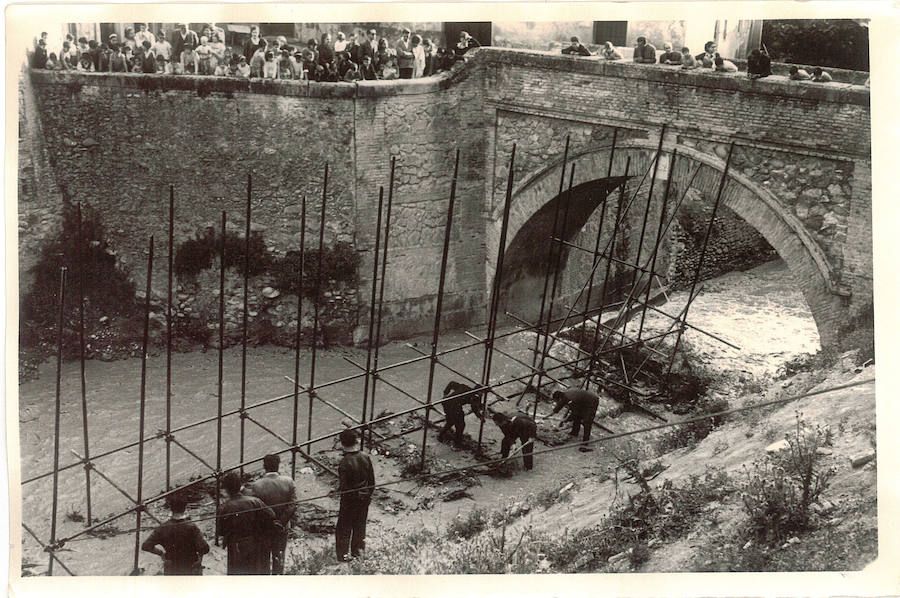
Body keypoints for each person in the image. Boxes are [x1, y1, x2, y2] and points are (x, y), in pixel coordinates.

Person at [216, 471, 277, 575]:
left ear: (226, 489)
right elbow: (271, 515)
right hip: (254, 543)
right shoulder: (255, 501)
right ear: (240, 486)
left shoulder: (223, 507)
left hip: (235, 547)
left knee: (237, 578)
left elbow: (220, 531)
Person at [247, 454, 297, 575]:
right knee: (279, 555)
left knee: (264, 557)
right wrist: (281, 522)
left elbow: (255, 509)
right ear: (278, 465)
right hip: (282, 526)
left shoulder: (257, 485)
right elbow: (293, 505)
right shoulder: (289, 482)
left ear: (264, 466)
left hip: (264, 528)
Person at [141, 492, 209, 575]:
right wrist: (200, 557)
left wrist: (161, 554)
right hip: (190, 566)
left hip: (171, 567)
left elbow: (146, 546)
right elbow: (205, 548)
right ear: (185, 507)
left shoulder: (162, 528)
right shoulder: (192, 527)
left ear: (170, 508)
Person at [335, 428, 375, 562]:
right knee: (360, 526)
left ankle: (343, 556)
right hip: (364, 498)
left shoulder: (344, 463)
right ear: (356, 441)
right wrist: (367, 496)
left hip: (349, 501)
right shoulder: (365, 457)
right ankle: (358, 553)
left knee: (343, 528)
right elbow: (372, 482)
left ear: (342, 443)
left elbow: (344, 488)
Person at [439, 381, 484, 446]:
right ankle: (457, 443)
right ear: (479, 392)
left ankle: (441, 435)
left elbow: (451, 383)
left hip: (446, 403)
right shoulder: (475, 397)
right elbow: (474, 409)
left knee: (450, 421)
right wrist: (480, 417)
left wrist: (445, 394)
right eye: (482, 393)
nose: (482, 395)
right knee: (461, 425)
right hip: (454, 407)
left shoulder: (464, 386)